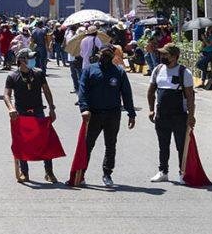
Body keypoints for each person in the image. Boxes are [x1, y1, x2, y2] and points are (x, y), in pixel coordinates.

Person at [77, 45, 136, 187]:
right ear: (99, 54)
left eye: (109, 54)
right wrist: (84, 108)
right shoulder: (89, 70)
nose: (105, 57)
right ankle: (81, 173)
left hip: (112, 114)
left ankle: (107, 174)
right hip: (93, 114)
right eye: (103, 54)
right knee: (87, 145)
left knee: (110, 145)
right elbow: (82, 90)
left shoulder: (119, 72)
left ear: (113, 56)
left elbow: (126, 93)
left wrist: (131, 113)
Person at [3, 48, 57, 183]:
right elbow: (6, 95)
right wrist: (11, 108)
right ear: (21, 60)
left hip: (38, 111)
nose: (33, 61)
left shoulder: (38, 73)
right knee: (22, 143)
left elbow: (46, 91)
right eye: (30, 58)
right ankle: (24, 172)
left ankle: (49, 172)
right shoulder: (12, 76)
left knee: (45, 142)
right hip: (21, 113)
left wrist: (51, 108)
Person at [147, 44, 195, 183]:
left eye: (165, 54)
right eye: (161, 54)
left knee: (181, 146)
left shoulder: (184, 72)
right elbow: (151, 91)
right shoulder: (157, 69)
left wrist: (191, 116)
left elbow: (190, 97)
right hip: (161, 115)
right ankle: (163, 172)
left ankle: (182, 173)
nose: (162, 56)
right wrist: (151, 109)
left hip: (179, 116)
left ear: (174, 57)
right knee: (163, 145)